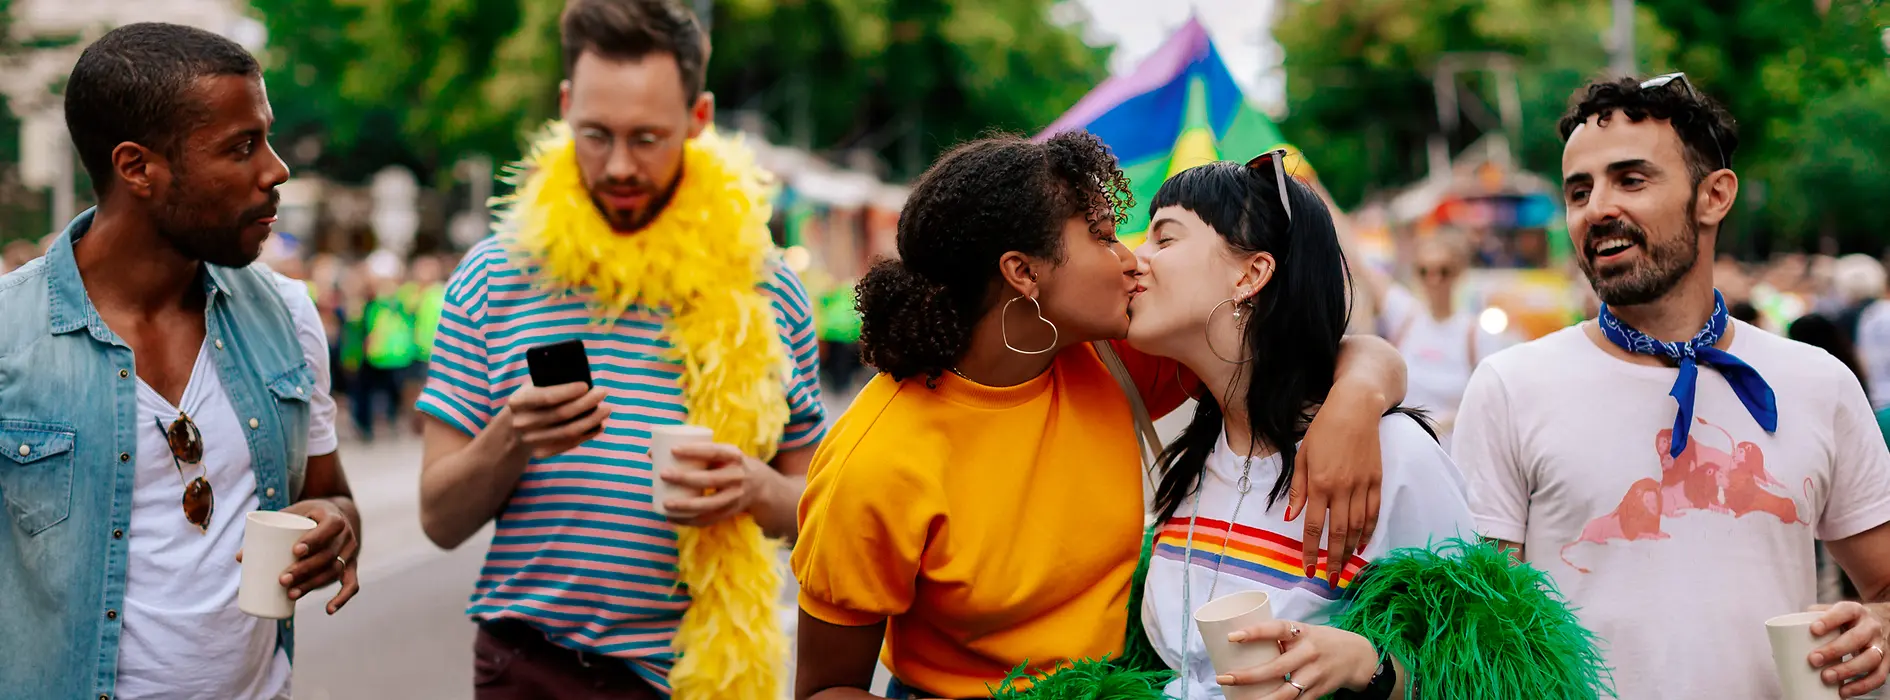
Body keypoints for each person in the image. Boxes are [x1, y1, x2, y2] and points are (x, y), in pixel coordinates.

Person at [791, 133, 1411, 700]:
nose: (1130, 258)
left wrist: (1354, 403)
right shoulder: (874, 461)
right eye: (1105, 235)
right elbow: (824, 691)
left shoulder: (1111, 360)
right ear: (1023, 273)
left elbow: (1303, 351)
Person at [415, 1, 825, 698]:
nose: (619, 166)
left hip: (698, 679)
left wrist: (756, 491)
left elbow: (821, 512)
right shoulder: (494, 273)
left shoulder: (770, 287)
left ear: (698, 120)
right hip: (531, 668)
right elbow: (439, 521)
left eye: (648, 138)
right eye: (596, 135)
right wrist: (510, 438)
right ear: (566, 106)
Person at [1454, 74, 1890, 699]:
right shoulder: (1509, 387)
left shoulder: (1818, 383)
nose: (1598, 207)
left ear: (1714, 196)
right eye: (1580, 190)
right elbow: (1481, 636)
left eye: (1631, 180)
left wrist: (1879, 628)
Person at [1124, 156, 1606, 700]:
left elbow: (1499, 673)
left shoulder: (1392, 455)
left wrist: (1371, 669)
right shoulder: (1191, 462)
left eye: (1163, 239)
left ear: (1251, 274)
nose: (1134, 259)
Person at [0, 23, 359, 700]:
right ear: (137, 167)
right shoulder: (9, 337)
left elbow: (330, 490)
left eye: (268, 137)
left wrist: (338, 522)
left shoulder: (288, 315)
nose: (276, 168)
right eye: (242, 147)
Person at [1349, 231, 1519, 446]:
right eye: (1424, 271)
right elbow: (1358, 259)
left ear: (1459, 273)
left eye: (1443, 271)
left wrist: (1451, 421)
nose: (1434, 280)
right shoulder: (1406, 317)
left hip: (1454, 459)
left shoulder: (1475, 334)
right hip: (1407, 453)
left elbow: (1496, 403)